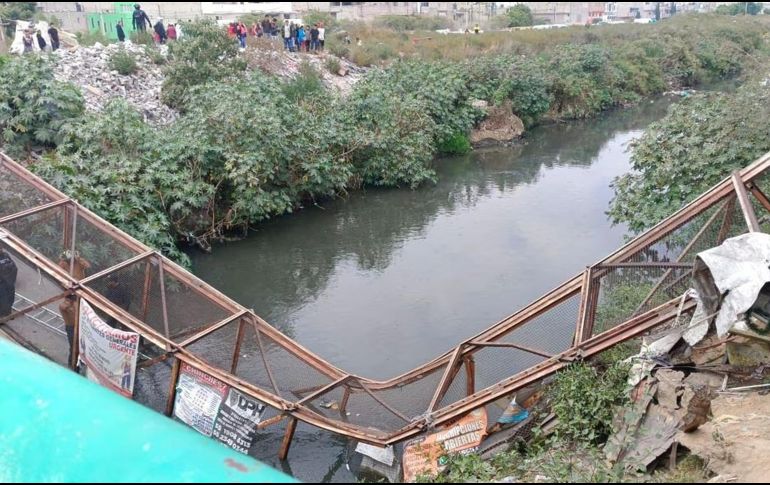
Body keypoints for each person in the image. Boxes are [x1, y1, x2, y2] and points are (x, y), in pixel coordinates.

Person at [59, 293, 78, 368]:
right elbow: (63, 307)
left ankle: (75, 362)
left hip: (76, 326)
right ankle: (71, 363)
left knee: (77, 346)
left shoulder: (75, 304)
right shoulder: (64, 305)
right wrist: (69, 302)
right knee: (73, 347)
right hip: (71, 327)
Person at [0, 247, 18, 319]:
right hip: (1, 283)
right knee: (3, 299)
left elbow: (14, 267)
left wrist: (12, 279)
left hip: (9, 281)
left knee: (10, 297)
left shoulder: (6, 255)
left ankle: (7, 312)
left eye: (0, 248)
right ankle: (2, 315)